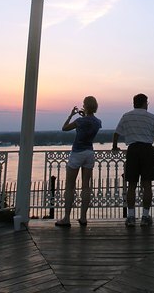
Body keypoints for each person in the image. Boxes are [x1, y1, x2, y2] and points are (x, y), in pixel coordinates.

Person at [112, 93, 154, 227]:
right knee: (147, 185)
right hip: (147, 150)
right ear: (144, 103)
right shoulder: (151, 117)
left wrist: (114, 146)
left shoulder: (126, 116)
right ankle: (145, 217)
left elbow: (116, 133)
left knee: (132, 185)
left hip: (133, 150)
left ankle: (130, 217)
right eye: (147, 103)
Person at [55, 96, 102, 227]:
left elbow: (64, 128)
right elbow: (89, 121)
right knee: (86, 186)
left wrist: (71, 115)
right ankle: (83, 218)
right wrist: (85, 115)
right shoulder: (98, 122)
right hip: (89, 153)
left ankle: (66, 218)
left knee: (70, 186)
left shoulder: (79, 121)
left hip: (77, 153)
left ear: (85, 106)